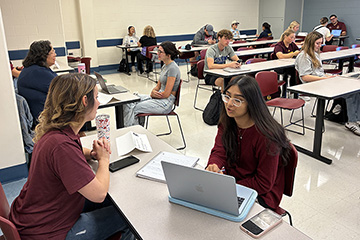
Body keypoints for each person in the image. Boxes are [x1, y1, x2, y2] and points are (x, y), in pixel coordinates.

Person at [9, 73, 135, 239]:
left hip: (32, 217)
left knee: (115, 203)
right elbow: (98, 194)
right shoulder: (62, 146)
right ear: (84, 101)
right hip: (48, 232)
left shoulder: (56, 133)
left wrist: (91, 153)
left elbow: (71, 153)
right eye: (96, 97)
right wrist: (104, 159)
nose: (98, 103)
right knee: (127, 216)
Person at [206, 75, 293, 210]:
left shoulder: (267, 136)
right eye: (227, 96)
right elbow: (219, 151)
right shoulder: (228, 122)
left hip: (261, 194)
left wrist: (231, 186)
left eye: (238, 100)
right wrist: (214, 165)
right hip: (233, 182)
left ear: (252, 103)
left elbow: (263, 183)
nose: (229, 104)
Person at [295, 31, 360, 136]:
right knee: (350, 94)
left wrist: (330, 77)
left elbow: (320, 73)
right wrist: (325, 80)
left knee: (355, 90)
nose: (320, 46)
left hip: (320, 81)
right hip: (310, 86)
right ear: (310, 42)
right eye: (317, 43)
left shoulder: (315, 53)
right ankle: (351, 122)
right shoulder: (304, 56)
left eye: (321, 43)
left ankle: (356, 119)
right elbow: (305, 77)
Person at [124, 41, 181, 126]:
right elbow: (158, 86)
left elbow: (166, 94)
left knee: (135, 108)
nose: (157, 53)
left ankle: (133, 132)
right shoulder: (165, 66)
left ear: (168, 55)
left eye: (160, 52)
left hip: (165, 102)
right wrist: (153, 92)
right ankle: (129, 127)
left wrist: (153, 95)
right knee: (129, 100)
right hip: (159, 97)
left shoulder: (173, 68)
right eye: (158, 51)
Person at [17, 40, 57, 124]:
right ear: (43, 55)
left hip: (43, 114)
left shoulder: (32, 69)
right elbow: (61, 87)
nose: (55, 54)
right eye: (52, 52)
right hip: (45, 118)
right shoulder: (37, 72)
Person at [272, 29, 300, 94]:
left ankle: (294, 91)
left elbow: (298, 51)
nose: (293, 39)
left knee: (296, 70)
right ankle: (290, 92)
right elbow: (280, 56)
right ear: (285, 36)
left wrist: (291, 54)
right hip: (279, 66)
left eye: (294, 38)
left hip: (289, 65)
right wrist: (293, 54)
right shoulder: (279, 45)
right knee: (293, 71)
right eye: (291, 37)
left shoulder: (292, 44)